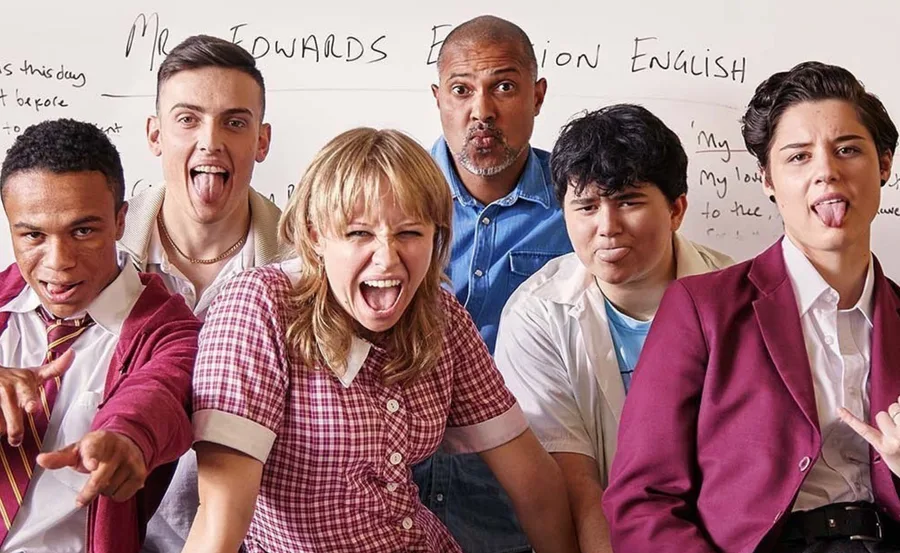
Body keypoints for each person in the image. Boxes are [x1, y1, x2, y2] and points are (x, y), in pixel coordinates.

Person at [182, 128, 579, 553]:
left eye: (409, 233)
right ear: (316, 237)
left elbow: (532, 480)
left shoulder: (441, 316)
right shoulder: (258, 306)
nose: (388, 257)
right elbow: (220, 515)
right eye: (359, 234)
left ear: (437, 236)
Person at [603, 61, 900, 553]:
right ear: (767, 178)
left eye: (847, 149)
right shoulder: (703, 309)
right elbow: (642, 500)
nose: (826, 171)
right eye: (798, 157)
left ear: (885, 164)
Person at [494, 104, 733, 552]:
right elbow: (575, 486)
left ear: (676, 209)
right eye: (586, 206)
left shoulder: (738, 298)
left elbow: (743, 475)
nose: (607, 228)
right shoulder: (536, 315)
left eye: (628, 201)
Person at [115, 35, 283, 553]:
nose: (211, 141)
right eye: (188, 119)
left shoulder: (309, 267)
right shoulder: (97, 254)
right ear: (155, 134)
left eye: (235, 122)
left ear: (262, 140)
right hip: (113, 532)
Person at [0, 118, 200, 553]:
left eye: (83, 231)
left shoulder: (173, 331)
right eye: (32, 235)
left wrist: (127, 439)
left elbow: (158, 396)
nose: (58, 263)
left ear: (121, 220)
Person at [417, 16, 572, 552]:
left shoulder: (579, 208)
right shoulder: (391, 195)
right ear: (439, 99)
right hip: (391, 471)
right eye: (462, 90)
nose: (481, 110)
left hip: (517, 479)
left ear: (537, 95)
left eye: (504, 86)